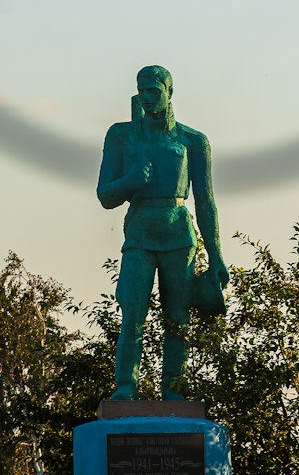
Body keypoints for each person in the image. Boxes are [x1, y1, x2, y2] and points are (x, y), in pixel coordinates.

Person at [97, 65, 229, 400]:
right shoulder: (121, 136)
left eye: (154, 90)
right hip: (140, 231)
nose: (147, 97)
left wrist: (215, 254)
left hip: (178, 233)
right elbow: (105, 195)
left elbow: (206, 200)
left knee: (177, 317)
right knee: (133, 311)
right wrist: (129, 180)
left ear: (169, 92)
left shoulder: (192, 141)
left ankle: (173, 389)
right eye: (142, 90)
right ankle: (126, 386)